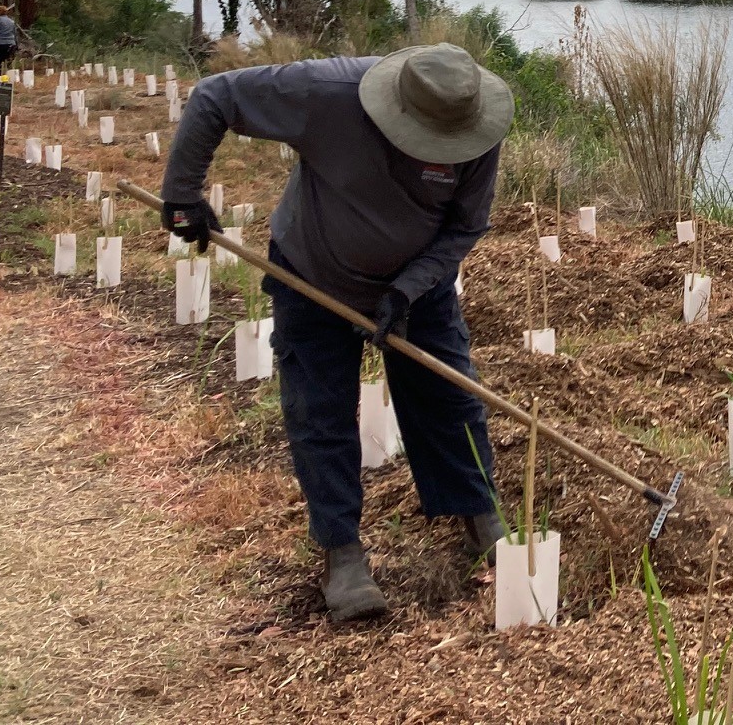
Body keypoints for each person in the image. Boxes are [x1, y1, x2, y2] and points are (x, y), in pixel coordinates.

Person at [160, 43, 515, 620]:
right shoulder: (327, 94)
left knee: (450, 396)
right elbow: (214, 95)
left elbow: (466, 225)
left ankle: (477, 512)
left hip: (417, 284)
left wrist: (409, 288)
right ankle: (342, 554)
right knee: (320, 410)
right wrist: (181, 194)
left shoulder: (475, 124)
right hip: (313, 271)